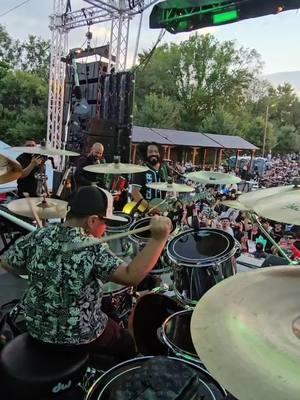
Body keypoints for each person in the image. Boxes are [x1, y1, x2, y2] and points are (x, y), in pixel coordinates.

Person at [1, 186, 171, 360]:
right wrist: (159, 239)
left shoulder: (39, 235)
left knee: (105, 308)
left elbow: (8, 263)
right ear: (92, 221)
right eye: (105, 223)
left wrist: (41, 272)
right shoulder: (90, 246)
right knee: (126, 342)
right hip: (76, 334)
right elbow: (131, 276)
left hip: (36, 327)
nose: (105, 229)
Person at [131, 143, 170, 210]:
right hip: (144, 210)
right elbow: (135, 193)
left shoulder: (165, 168)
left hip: (162, 208)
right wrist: (149, 208)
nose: (153, 154)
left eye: (156, 152)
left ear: (160, 153)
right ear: (145, 154)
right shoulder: (141, 169)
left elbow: (172, 188)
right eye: (150, 152)